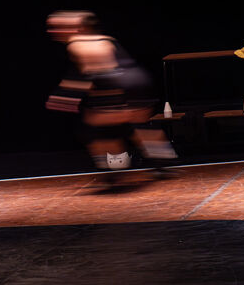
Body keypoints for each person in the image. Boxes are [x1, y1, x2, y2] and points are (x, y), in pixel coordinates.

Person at [46, 11, 175, 182]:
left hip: (115, 82)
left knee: (95, 127)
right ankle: (162, 162)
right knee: (137, 124)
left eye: (58, 27)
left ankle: (115, 167)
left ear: (79, 28)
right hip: (139, 80)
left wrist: (67, 95)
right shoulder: (106, 39)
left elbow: (95, 70)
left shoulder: (78, 43)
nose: (52, 31)